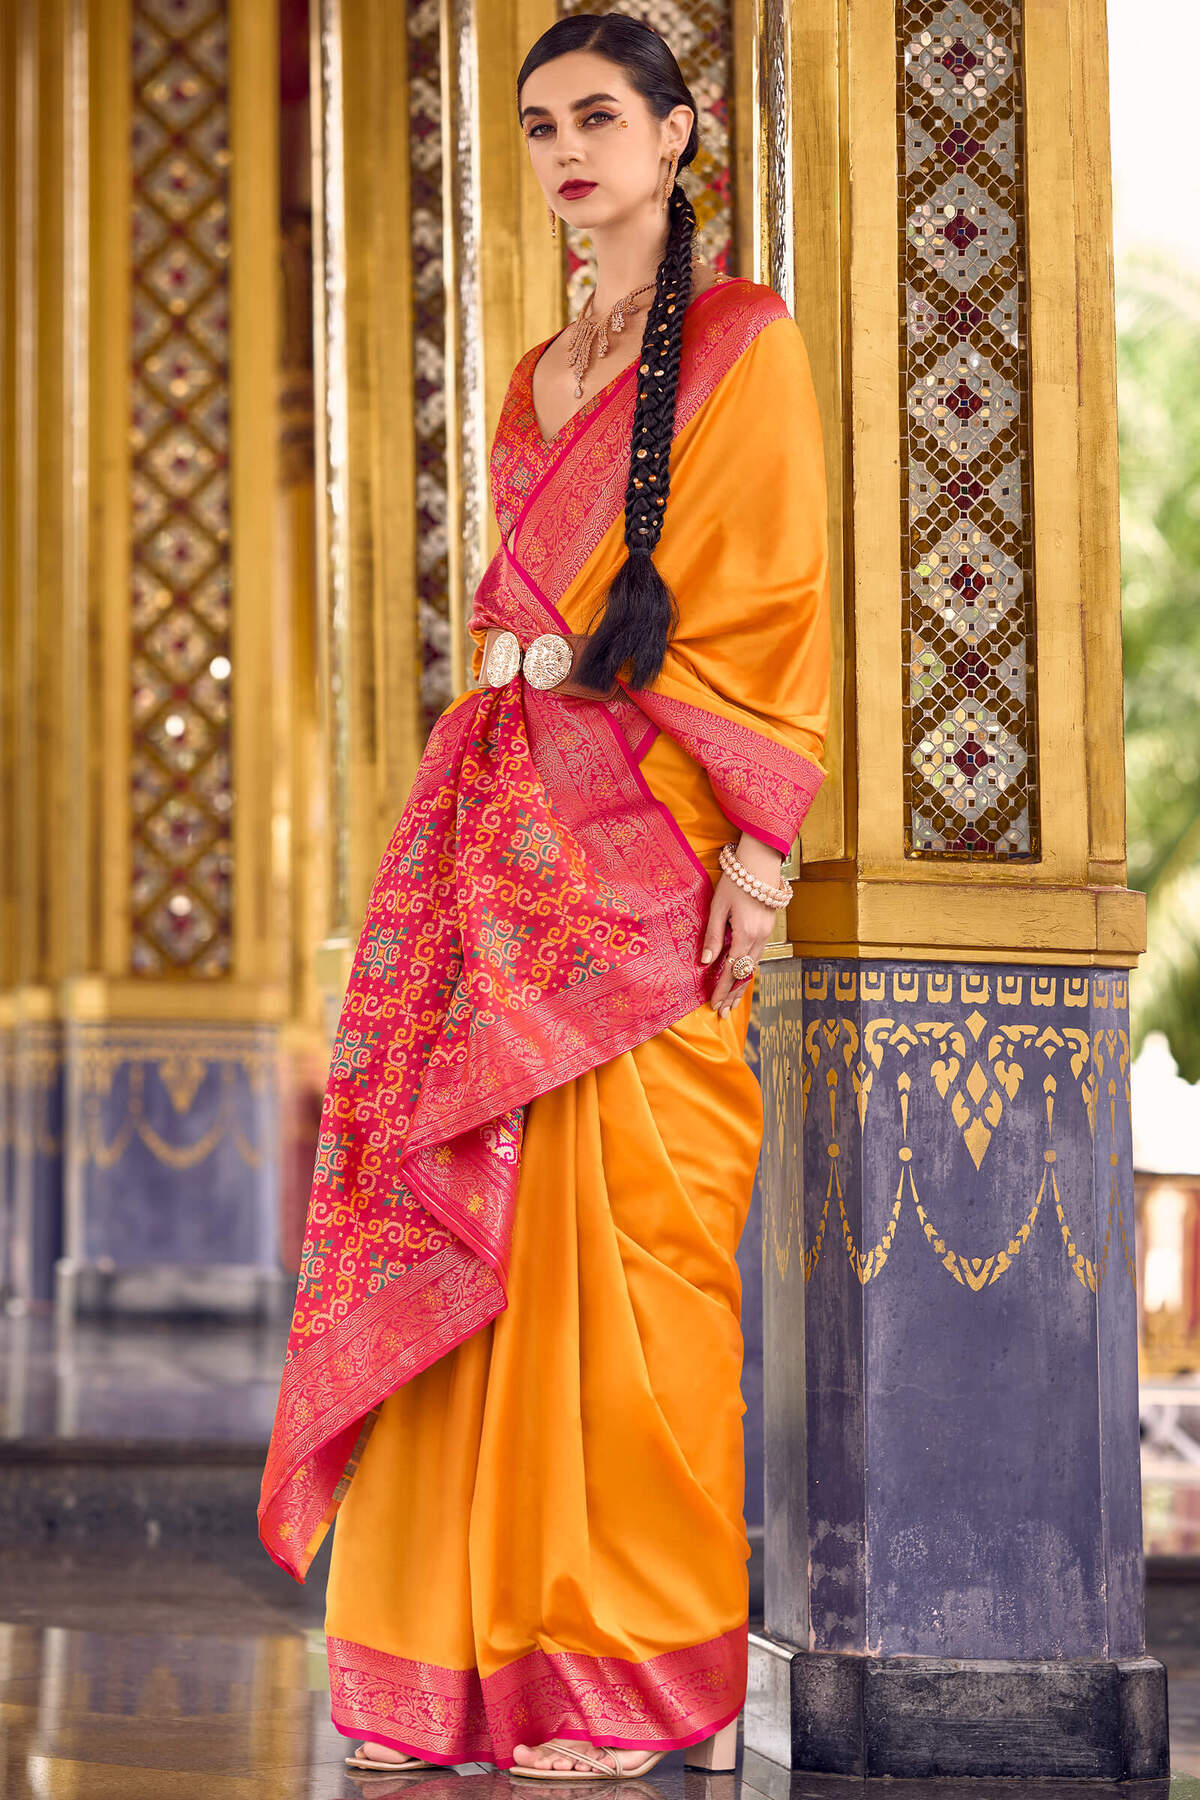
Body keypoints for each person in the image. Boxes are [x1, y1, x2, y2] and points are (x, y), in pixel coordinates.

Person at [258, 10, 831, 1783]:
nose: (568, 150)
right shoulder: (535, 373)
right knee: (477, 1253)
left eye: (600, 117)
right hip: (497, 853)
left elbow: (776, 605)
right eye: (539, 126)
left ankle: (615, 1677)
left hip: (650, 863)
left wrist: (755, 854)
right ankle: (484, 1670)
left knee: (636, 1285)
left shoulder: (743, 343)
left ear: (679, 138)